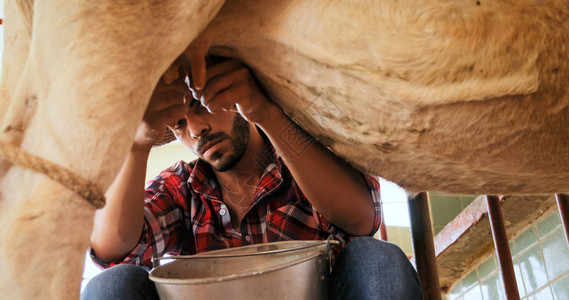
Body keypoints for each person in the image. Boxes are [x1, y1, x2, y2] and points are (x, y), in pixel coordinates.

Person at [82, 57, 422, 300]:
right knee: (111, 286)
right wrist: (138, 144)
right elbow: (110, 250)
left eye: (200, 104)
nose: (197, 129)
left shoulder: (303, 156)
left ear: (234, 90)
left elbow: (364, 219)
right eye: (179, 124)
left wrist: (264, 112)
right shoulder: (182, 188)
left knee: (379, 259)